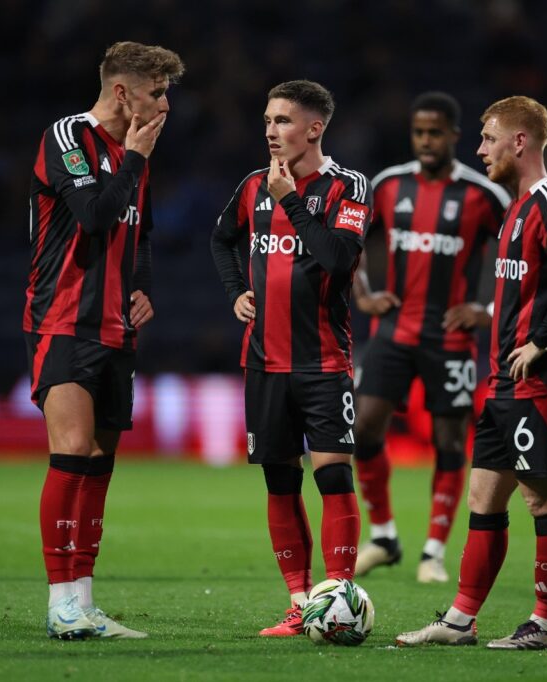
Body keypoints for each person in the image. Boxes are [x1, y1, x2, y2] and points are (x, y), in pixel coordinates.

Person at [396, 95, 547, 650]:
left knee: (543, 500)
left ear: (520, 142)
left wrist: (541, 340)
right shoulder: (516, 207)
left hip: (542, 379)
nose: (479, 149)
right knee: (483, 498)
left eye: (487, 138)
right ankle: (460, 621)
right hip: (504, 383)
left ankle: (545, 627)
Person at [23, 41, 184, 640]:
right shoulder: (68, 137)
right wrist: (136, 160)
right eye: (158, 91)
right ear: (123, 92)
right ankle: (59, 601)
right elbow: (93, 214)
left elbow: (135, 234)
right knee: (70, 453)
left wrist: (141, 289)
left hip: (118, 327)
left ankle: (84, 602)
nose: (166, 103)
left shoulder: (131, 154)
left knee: (98, 464)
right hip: (64, 319)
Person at [211, 80, 372, 637]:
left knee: (332, 478)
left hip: (323, 361)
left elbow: (336, 257)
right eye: (266, 121)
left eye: (282, 121)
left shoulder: (347, 187)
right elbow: (220, 238)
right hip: (263, 361)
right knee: (280, 483)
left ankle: (341, 601)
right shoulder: (252, 185)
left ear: (314, 128)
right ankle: (300, 604)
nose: (270, 132)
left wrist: (290, 201)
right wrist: (235, 288)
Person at [352, 92, 510, 584]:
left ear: (454, 136)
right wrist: (363, 294)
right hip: (392, 333)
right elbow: (349, 241)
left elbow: (518, 255)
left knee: (447, 442)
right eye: (419, 131)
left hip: (450, 339)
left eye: (435, 132)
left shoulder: (484, 195)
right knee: (362, 430)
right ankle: (383, 535)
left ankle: (434, 551)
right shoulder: (387, 185)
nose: (425, 140)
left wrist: (484, 309)